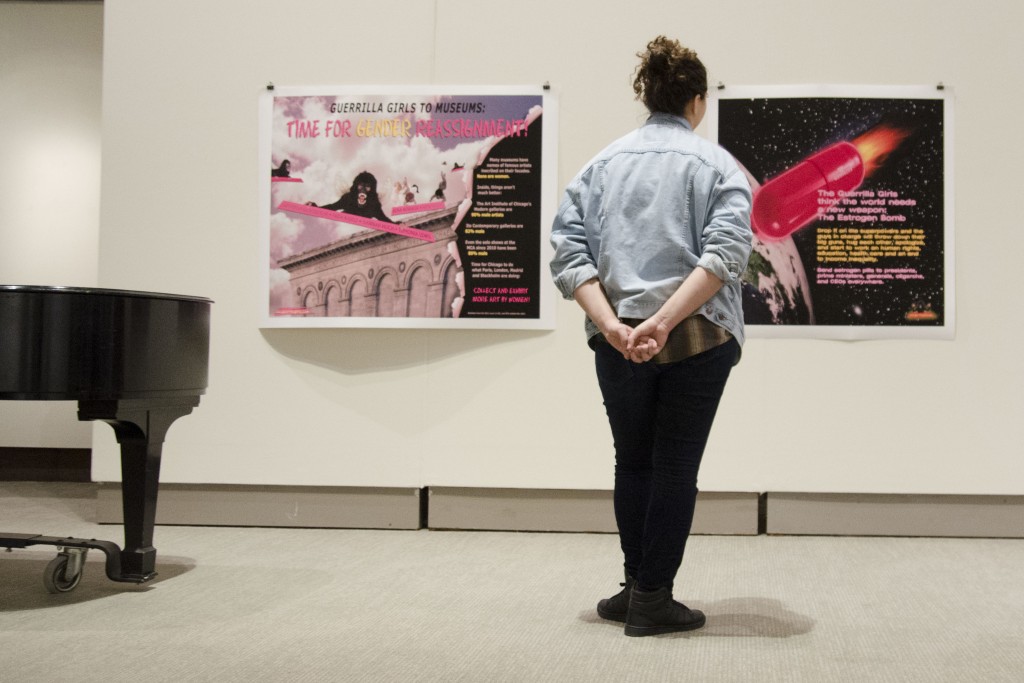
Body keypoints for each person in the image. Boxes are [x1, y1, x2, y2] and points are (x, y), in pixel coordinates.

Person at [549, 36, 753, 637]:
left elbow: (567, 252)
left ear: (647, 96)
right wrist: (664, 322)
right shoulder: (718, 166)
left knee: (632, 462)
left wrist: (614, 324)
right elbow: (725, 255)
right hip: (697, 340)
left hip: (617, 341)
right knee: (674, 467)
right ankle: (652, 598)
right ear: (696, 99)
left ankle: (634, 587)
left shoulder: (602, 164)